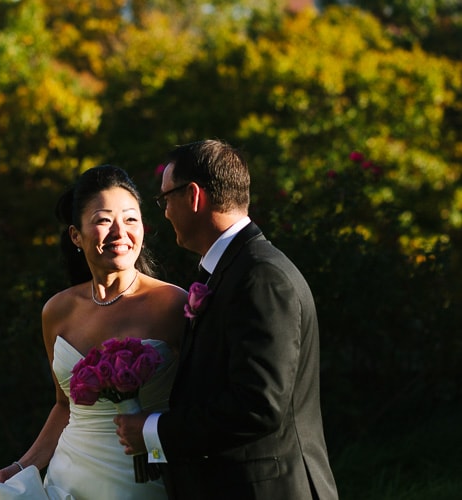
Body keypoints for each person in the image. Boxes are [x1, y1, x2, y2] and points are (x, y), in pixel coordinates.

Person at [114, 140, 339, 499]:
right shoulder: (231, 270)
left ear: (193, 195)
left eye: (165, 199)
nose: (166, 212)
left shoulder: (261, 276)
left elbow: (259, 404)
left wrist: (155, 431)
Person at [0, 165, 188, 499]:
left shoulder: (172, 304)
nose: (120, 232)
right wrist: (24, 465)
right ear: (76, 235)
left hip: (144, 480)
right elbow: (65, 406)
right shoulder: (57, 311)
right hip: (68, 478)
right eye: (104, 220)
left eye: (131, 219)